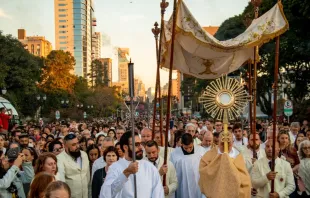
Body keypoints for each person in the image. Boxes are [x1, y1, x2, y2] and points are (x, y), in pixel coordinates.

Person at [99, 131, 164, 198]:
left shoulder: (149, 167)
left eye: (140, 144)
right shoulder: (115, 168)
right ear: (125, 147)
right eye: (136, 145)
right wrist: (126, 173)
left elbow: (158, 192)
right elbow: (107, 193)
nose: (141, 147)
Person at [199, 132, 251, 198]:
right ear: (218, 142)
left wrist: (229, 163)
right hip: (215, 192)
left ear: (232, 142)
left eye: (229, 144)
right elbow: (203, 172)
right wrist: (218, 163)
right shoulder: (210, 154)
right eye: (222, 143)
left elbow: (244, 178)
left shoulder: (237, 155)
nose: (225, 146)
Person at [170, 133, 205, 198]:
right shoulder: (174, 154)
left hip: (197, 183)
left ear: (193, 142)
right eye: (185, 148)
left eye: (190, 147)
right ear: (181, 144)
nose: (188, 150)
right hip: (182, 184)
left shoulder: (201, 151)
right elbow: (172, 172)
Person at [57, 134, 90, 198]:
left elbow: (87, 177)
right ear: (65, 146)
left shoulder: (84, 155)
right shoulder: (60, 159)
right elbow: (61, 181)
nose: (77, 146)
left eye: (77, 143)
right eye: (73, 145)